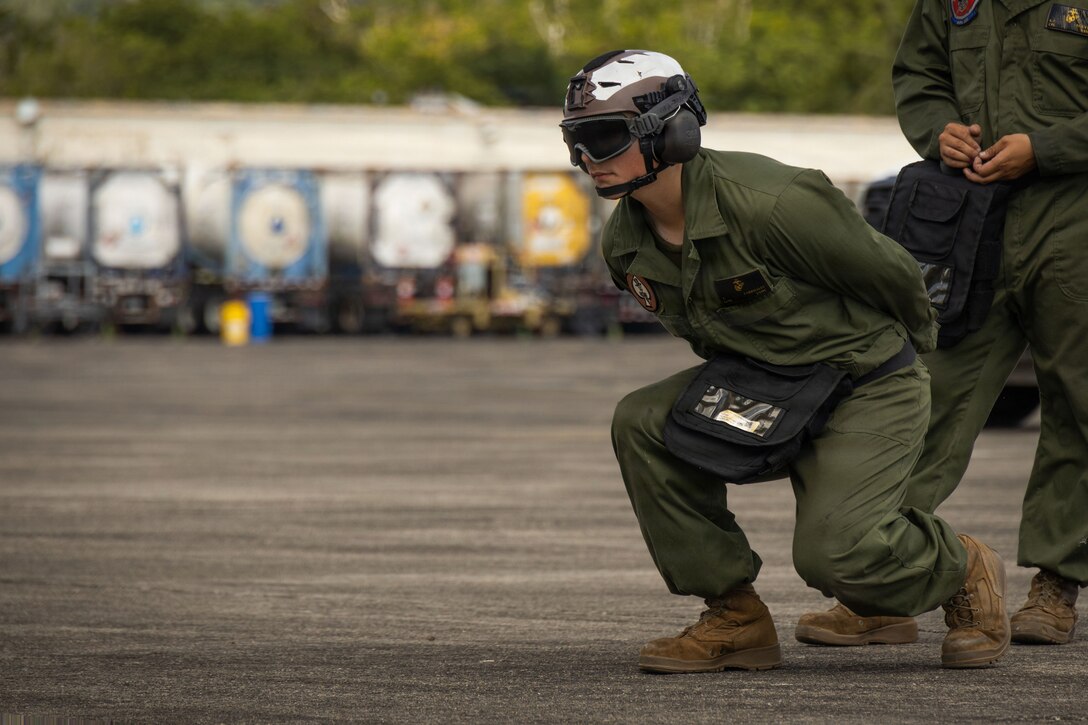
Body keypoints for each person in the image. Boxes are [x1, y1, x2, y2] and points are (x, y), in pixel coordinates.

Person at [560, 48, 1011, 673]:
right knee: (642, 420)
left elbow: (895, 278)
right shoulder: (626, 243)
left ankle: (962, 567)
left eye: (602, 139)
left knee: (837, 558)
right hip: (765, 379)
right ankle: (734, 617)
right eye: (575, 143)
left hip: (864, 380)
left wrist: (907, 367)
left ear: (672, 130)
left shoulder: (774, 201)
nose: (586, 160)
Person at [796, 0, 1085, 648]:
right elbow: (919, 76)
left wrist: (1046, 147)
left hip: (1074, 219)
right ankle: (883, 585)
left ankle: (1058, 579)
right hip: (970, 224)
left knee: (1075, 401)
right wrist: (939, 130)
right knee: (923, 392)